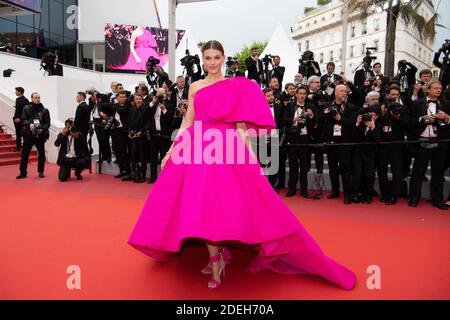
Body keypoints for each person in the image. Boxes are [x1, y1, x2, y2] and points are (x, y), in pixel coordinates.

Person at [128, 40, 356, 290]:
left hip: (226, 150)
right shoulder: (194, 87)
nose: (212, 62)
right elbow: (187, 122)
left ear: (224, 58)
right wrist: (173, 148)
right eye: (208, 58)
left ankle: (219, 258)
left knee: (223, 205)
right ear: (203, 60)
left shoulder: (235, 86)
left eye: (217, 57)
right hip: (198, 149)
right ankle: (217, 259)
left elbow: (242, 128)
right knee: (202, 206)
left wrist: (251, 158)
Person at [16, 92, 51, 179]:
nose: (37, 99)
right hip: (29, 134)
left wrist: (42, 128)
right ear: (32, 99)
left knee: (41, 154)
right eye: (35, 97)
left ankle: (41, 171)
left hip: (40, 135)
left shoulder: (45, 110)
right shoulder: (26, 108)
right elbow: (23, 120)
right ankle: (23, 172)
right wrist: (29, 124)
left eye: (39, 97)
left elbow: (47, 123)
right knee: (25, 154)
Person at [12, 87, 29, 151]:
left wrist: (20, 119)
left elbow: (26, 111)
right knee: (17, 133)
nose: (15, 92)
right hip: (16, 119)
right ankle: (18, 147)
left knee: (24, 134)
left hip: (22, 120)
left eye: (16, 91)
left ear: (19, 91)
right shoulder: (17, 99)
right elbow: (18, 110)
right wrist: (15, 118)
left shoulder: (25, 100)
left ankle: (25, 148)